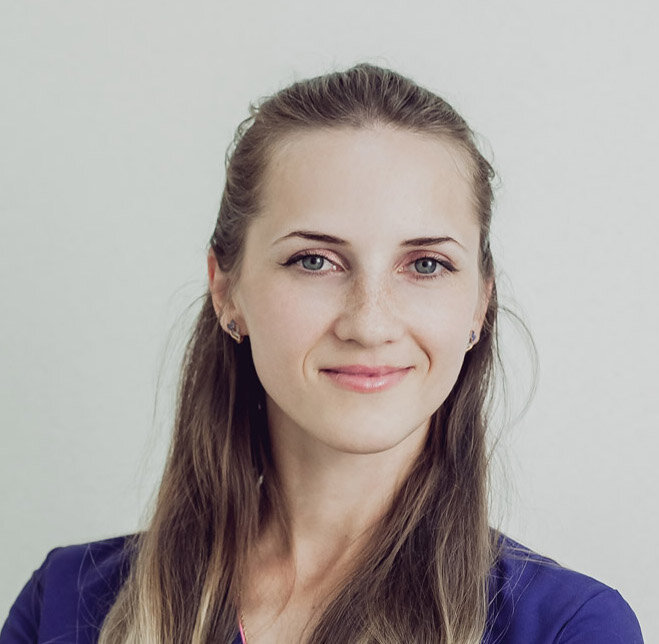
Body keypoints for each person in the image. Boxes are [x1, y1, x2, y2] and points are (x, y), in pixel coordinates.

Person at [0, 64, 643, 644]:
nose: (370, 323)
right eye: (314, 260)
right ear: (227, 290)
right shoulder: (63, 604)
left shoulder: (569, 628)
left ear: (480, 303)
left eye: (425, 264)